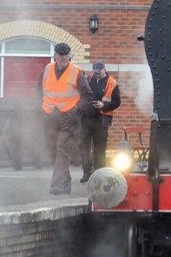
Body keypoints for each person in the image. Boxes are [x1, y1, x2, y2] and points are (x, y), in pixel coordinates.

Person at [38, 42, 96, 195]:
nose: (64, 57)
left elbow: (88, 96)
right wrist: (41, 107)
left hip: (68, 117)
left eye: (66, 55)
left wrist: (75, 110)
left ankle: (57, 184)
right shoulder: (47, 69)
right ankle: (65, 182)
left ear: (69, 55)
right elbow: (39, 90)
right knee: (52, 149)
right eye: (61, 55)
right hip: (50, 115)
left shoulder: (77, 72)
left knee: (63, 148)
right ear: (55, 55)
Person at [78, 61, 121, 183]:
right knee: (83, 146)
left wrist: (103, 106)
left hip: (101, 120)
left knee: (100, 149)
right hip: (86, 119)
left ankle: (99, 174)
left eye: (98, 73)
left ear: (104, 70)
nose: (96, 75)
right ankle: (87, 171)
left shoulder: (112, 83)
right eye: (95, 73)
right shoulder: (88, 79)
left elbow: (117, 102)